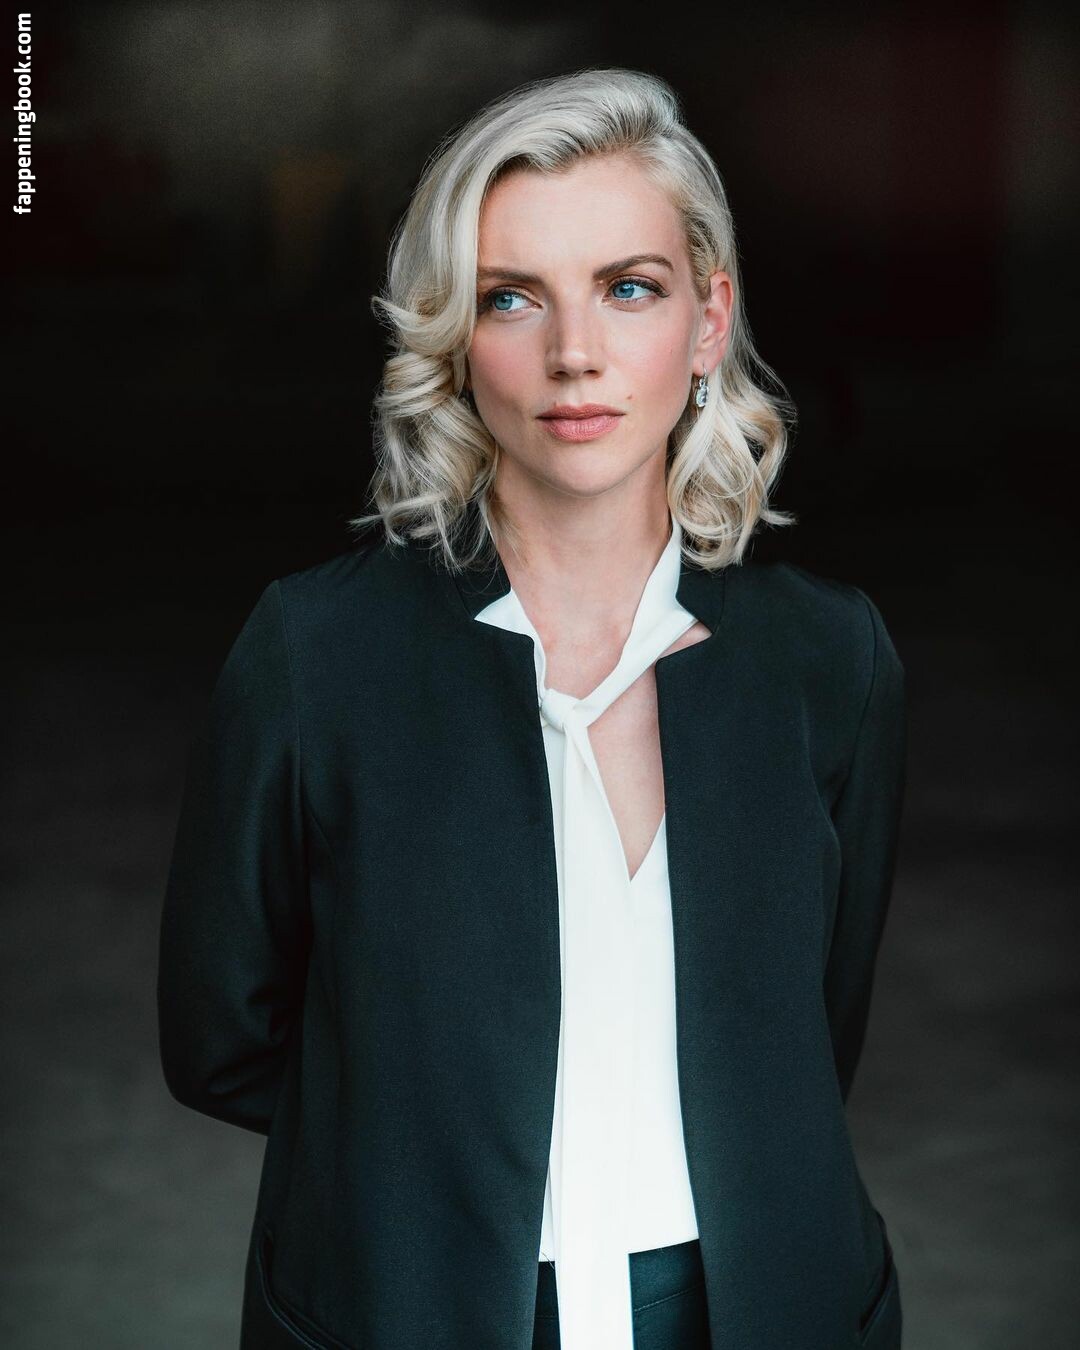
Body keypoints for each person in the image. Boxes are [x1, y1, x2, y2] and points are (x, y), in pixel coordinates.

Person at [157, 67, 907, 1350]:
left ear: (710, 319)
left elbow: (811, 1031)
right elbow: (220, 1036)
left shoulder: (830, 656)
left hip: (758, 1309)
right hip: (414, 1308)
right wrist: (416, 1147)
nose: (575, 353)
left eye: (631, 287)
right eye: (513, 297)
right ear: (455, 337)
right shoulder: (317, 652)